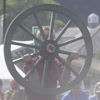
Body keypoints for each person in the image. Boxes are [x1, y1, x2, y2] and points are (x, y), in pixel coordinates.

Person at [23, 26, 79, 100]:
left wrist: (69, 61)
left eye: (51, 38)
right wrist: (30, 64)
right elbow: (35, 86)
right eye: (45, 37)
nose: (49, 40)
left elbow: (64, 82)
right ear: (39, 40)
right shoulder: (32, 61)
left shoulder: (57, 62)